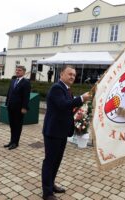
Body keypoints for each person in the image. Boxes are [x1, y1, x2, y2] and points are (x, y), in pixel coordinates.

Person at [41, 65, 91, 200]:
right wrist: (81, 98)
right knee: (50, 161)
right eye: (69, 74)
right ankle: (47, 193)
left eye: (74, 75)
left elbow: (68, 107)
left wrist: (81, 106)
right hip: (53, 131)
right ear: (61, 74)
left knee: (57, 160)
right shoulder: (57, 88)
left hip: (61, 131)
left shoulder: (66, 89)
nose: (72, 77)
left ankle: (51, 185)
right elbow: (63, 104)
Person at [4, 66, 31, 150]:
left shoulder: (26, 82)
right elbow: (9, 93)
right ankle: (11, 141)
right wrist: (7, 103)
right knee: (12, 125)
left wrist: (24, 107)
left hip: (19, 109)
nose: (17, 71)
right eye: (16, 70)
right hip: (11, 107)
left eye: (19, 70)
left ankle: (16, 143)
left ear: (24, 72)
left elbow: (26, 96)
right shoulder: (13, 81)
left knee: (17, 126)